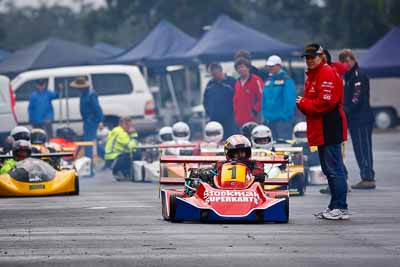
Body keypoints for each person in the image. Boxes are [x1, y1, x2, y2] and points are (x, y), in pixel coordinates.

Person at [296, 43, 349, 220]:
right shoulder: (314, 74)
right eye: (307, 57)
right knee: (328, 170)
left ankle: (341, 207)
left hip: (329, 128)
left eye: (313, 57)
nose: (309, 60)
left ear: (322, 57)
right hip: (321, 128)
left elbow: (325, 103)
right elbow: (315, 103)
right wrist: (304, 104)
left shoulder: (326, 72)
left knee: (334, 169)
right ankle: (334, 206)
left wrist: (303, 103)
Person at [339, 49, 376, 190]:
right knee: (358, 149)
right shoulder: (347, 76)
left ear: (353, 60)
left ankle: (368, 178)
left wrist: (344, 110)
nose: (346, 64)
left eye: (348, 60)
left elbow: (357, 97)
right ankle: (366, 176)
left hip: (362, 118)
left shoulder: (357, 75)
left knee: (363, 149)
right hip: (354, 119)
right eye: (343, 61)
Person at [189, 134, 265, 188]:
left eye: (242, 152)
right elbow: (214, 177)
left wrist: (251, 175)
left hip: (249, 192)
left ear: (247, 152)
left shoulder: (255, 163)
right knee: (196, 174)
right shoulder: (221, 164)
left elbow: (258, 177)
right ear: (229, 153)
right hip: (222, 192)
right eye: (236, 153)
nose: (239, 155)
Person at [262, 55, 296, 140]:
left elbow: (290, 101)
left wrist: (285, 117)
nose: (270, 68)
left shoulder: (287, 80)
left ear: (279, 66)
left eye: (272, 66)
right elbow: (264, 99)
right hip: (269, 120)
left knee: (283, 144)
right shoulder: (268, 80)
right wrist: (265, 115)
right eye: (269, 66)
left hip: (282, 121)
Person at [70, 76, 103, 159]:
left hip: (91, 122)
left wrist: (99, 121)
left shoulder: (91, 95)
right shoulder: (84, 94)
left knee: (89, 143)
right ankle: (91, 159)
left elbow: (97, 108)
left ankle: (90, 161)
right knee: (89, 142)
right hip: (87, 121)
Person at [203, 63, 238, 139]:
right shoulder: (210, 84)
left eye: (215, 74)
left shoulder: (232, 82)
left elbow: (238, 99)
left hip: (230, 118)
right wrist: (208, 112)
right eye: (212, 74)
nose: (214, 76)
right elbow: (205, 100)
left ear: (220, 71)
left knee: (230, 138)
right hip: (215, 118)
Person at [233, 58, 263, 127]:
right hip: (241, 120)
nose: (240, 69)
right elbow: (235, 100)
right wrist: (236, 114)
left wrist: (255, 110)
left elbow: (262, 97)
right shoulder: (237, 82)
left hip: (254, 119)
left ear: (248, 68)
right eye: (238, 68)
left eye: (242, 67)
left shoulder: (256, 80)